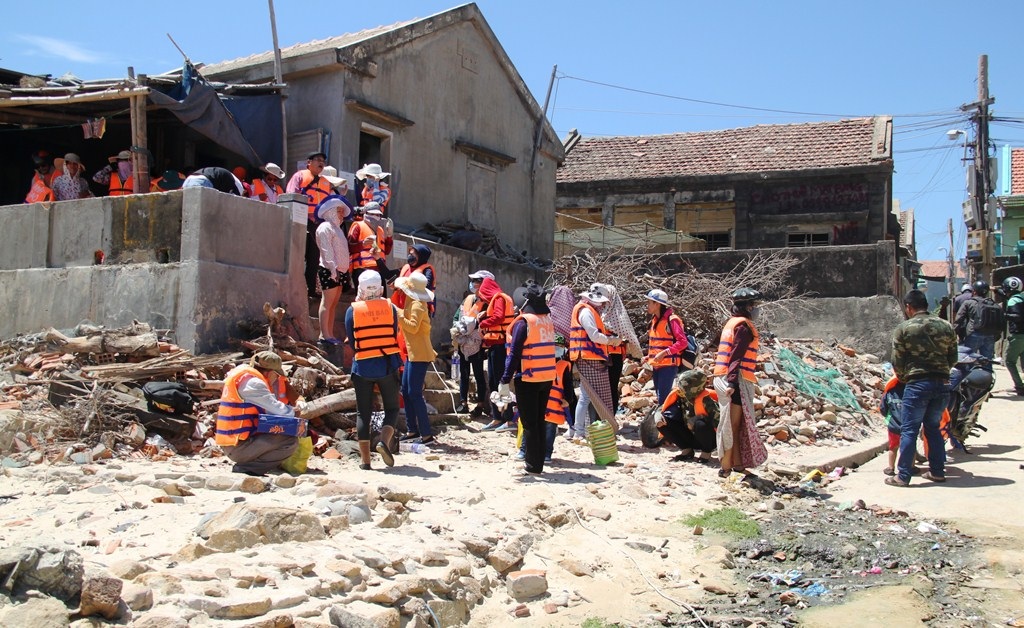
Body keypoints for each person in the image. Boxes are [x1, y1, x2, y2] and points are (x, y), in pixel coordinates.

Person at [886, 289, 958, 487]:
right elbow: (953, 357)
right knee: (933, 428)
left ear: (909, 307)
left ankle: (903, 476)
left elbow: (897, 360)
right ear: (926, 305)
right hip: (943, 384)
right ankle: (937, 472)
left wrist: (903, 378)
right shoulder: (946, 326)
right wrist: (941, 372)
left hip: (917, 384)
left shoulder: (904, 329)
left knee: (909, 429)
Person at [345, 270, 402, 470]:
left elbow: (352, 341)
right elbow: (393, 332)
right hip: (386, 364)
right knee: (392, 408)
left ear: (360, 287)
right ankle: (384, 442)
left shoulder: (352, 311)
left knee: (363, 412)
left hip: (362, 366)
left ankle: (365, 461)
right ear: (380, 288)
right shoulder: (390, 307)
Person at [712, 287, 769, 479]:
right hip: (734, 379)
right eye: (754, 306)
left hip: (723, 376)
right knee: (732, 424)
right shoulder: (743, 327)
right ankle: (726, 467)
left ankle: (737, 464)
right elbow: (735, 357)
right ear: (747, 307)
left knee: (734, 424)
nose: (756, 310)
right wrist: (732, 383)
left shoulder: (731, 323)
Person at [501, 281, 556, 475]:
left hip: (528, 377)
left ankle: (533, 466)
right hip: (547, 376)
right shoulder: (546, 320)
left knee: (529, 422)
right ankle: (538, 461)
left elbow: (514, 354)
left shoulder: (524, 323)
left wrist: (504, 380)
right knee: (539, 420)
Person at [215, 351, 300, 476]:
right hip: (238, 446)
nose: (277, 379)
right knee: (289, 441)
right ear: (270, 372)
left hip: (232, 441)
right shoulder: (254, 384)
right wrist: (294, 411)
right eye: (277, 376)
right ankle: (248, 468)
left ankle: (249, 464)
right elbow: (277, 410)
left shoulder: (241, 375)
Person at [568, 286, 622, 441]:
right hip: (588, 357)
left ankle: (581, 430)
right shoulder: (586, 312)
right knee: (586, 396)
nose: (603, 305)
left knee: (586, 395)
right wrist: (613, 341)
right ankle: (579, 431)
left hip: (588, 356)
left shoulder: (587, 310)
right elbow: (594, 336)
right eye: (601, 303)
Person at [395, 271, 438, 444]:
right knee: (406, 391)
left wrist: (397, 314)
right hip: (413, 353)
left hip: (420, 354)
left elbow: (412, 327)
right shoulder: (412, 302)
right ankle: (412, 430)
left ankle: (426, 434)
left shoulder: (418, 305)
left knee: (414, 393)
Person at [285, 152, 333, 298]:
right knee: (299, 255)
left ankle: (310, 291)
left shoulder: (326, 182)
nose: (321, 163)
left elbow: (330, 203)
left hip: (319, 223)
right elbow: (291, 194)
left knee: (314, 257)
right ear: (309, 162)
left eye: (323, 161)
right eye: (318, 160)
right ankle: (295, 290)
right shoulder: (299, 176)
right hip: (302, 220)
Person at [477, 274, 515, 430]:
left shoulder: (499, 298)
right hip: (495, 346)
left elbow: (499, 317)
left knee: (499, 383)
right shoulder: (498, 299)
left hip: (499, 346)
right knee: (493, 382)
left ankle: (508, 419)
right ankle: (497, 417)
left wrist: (482, 322)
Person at [658, 369, 718, 462]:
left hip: (709, 439)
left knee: (700, 424)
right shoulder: (680, 396)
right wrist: (658, 417)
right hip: (690, 435)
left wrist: (696, 419)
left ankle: (706, 452)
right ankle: (687, 450)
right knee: (663, 422)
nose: (680, 389)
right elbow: (662, 409)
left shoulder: (707, 399)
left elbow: (719, 422)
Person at [314, 196, 351, 345]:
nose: (342, 215)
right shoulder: (325, 228)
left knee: (333, 303)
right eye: (339, 211)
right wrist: (332, 270)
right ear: (330, 211)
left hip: (340, 270)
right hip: (330, 270)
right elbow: (326, 250)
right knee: (327, 302)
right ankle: (324, 335)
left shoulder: (338, 229)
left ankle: (330, 333)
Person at [453, 271, 491, 415]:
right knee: (464, 373)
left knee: (478, 374)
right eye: (473, 281)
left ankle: (480, 404)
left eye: (477, 281)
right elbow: (457, 315)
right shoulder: (468, 299)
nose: (474, 283)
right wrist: (457, 328)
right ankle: (463, 402)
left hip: (478, 342)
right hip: (463, 341)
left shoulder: (488, 302)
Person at [642, 288, 689, 406]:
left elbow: (683, 342)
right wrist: (649, 356)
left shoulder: (672, 320)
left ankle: (667, 422)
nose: (647, 305)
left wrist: (664, 353)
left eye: (649, 302)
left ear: (657, 304)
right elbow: (659, 344)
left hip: (668, 366)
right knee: (660, 397)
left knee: (664, 400)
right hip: (658, 365)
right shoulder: (655, 320)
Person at [954, 280, 1001, 367]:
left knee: (969, 360)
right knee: (987, 361)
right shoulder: (993, 304)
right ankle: (987, 378)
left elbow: (959, 319)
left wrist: (953, 334)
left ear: (974, 291)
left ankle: (969, 379)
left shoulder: (969, 302)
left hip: (973, 334)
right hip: (990, 336)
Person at [390, 244, 435, 314]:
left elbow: (426, 286)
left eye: (412, 255)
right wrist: (378, 259)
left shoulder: (427, 271)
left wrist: (404, 286)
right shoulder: (406, 267)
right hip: (401, 307)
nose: (410, 256)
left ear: (420, 257)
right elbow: (387, 273)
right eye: (409, 254)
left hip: (415, 309)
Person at [348, 206, 385, 286]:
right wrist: (362, 244)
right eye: (373, 214)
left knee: (381, 298)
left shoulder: (380, 230)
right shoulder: (358, 226)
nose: (376, 217)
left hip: (380, 269)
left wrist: (389, 237)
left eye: (378, 215)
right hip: (362, 269)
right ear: (365, 213)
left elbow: (386, 251)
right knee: (364, 297)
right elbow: (349, 247)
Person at [1002, 276, 1024, 395]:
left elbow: (1017, 317)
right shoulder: (1021, 297)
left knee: (1009, 361)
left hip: (1018, 335)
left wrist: (1004, 315)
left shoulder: (1013, 301)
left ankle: (1019, 386)